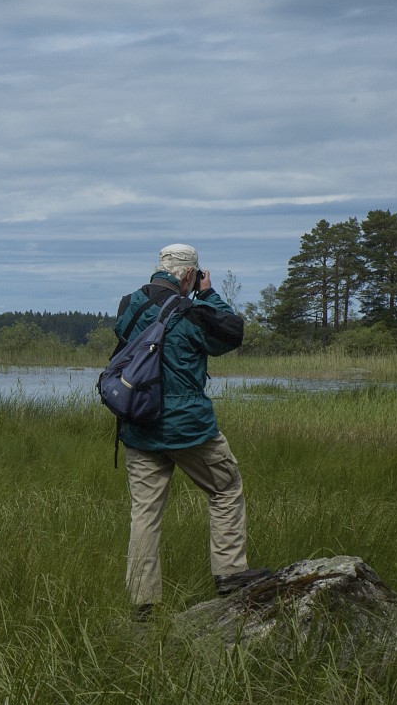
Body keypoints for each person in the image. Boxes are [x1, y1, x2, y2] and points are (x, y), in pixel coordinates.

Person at [112, 244, 269, 617]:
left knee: (145, 513)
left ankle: (142, 604)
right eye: (194, 276)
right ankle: (230, 573)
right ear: (188, 275)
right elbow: (232, 334)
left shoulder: (128, 305)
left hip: (138, 422)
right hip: (188, 428)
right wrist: (208, 293)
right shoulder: (193, 313)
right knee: (225, 488)